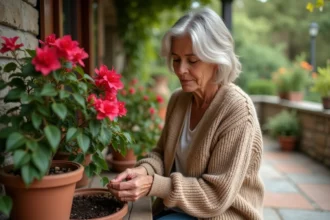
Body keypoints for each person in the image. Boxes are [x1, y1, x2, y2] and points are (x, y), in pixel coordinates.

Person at [108, 7, 264, 220]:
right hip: (178, 210)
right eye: (176, 59)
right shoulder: (178, 99)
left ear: (216, 60)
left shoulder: (237, 110)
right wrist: (143, 172)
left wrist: (153, 184)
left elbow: (215, 196)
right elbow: (162, 155)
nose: (180, 70)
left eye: (192, 60)